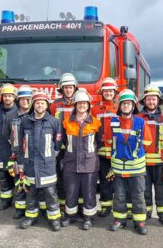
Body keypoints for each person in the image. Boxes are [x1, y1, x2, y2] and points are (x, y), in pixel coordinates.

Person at [107, 89, 152, 235]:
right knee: (119, 195)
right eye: (123, 103)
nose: (126, 106)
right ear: (119, 106)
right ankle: (119, 220)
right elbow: (109, 141)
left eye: (129, 103)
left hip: (136, 168)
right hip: (118, 167)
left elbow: (147, 142)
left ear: (133, 106)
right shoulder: (113, 122)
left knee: (138, 195)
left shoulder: (141, 122)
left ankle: (139, 221)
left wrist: (134, 156)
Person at [16, 91, 62, 231]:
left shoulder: (53, 121)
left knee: (51, 193)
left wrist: (49, 158)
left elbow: (58, 144)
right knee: (31, 193)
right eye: (37, 103)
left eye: (42, 103)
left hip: (47, 165)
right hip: (30, 164)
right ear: (33, 105)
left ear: (47, 105)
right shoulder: (25, 121)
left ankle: (54, 219)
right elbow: (20, 143)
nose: (40, 105)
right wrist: (21, 162)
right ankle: (31, 217)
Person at [60, 89, 102, 230]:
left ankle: (88, 218)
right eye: (79, 103)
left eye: (84, 103)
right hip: (71, 163)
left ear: (88, 105)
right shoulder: (66, 122)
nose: (82, 105)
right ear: (75, 105)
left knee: (89, 192)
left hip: (89, 164)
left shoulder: (96, 123)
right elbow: (65, 141)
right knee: (71, 191)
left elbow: (99, 141)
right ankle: (70, 216)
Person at [137, 84, 163, 225]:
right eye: (148, 99)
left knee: (161, 190)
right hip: (143, 162)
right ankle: (147, 212)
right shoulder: (138, 117)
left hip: (160, 162)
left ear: (158, 100)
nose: (151, 102)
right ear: (144, 101)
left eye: (154, 99)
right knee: (145, 189)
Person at [3, 85, 33, 219]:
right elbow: (5, 134)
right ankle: (20, 208)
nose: (25, 102)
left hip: (33, 155)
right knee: (18, 181)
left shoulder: (35, 114)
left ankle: (35, 207)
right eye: (22, 99)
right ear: (18, 100)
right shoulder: (10, 115)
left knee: (33, 182)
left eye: (28, 99)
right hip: (18, 155)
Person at [50, 73, 79, 213]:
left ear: (75, 88)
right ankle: (62, 204)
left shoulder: (80, 103)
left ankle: (78, 205)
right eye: (66, 87)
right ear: (62, 88)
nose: (68, 90)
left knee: (76, 176)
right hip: (60, 148)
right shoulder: (55, 104)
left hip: (76, 147)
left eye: (70, 87)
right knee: (61, 176)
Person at [91, 77, 119, 217]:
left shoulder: (121, 107)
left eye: (111, 91)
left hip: (118, 153)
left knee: (119, 181)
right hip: (101, 153)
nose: (108, 93)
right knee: (104, 180)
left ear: (115, 92)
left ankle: (120, 207)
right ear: (102, 92)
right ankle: (106, 206)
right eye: (106, 91)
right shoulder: (95, 109)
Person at [0, 83, 18, 210]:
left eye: (10, 96)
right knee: (2, 178)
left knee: (15, 176)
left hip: (13, 151)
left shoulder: (18, 112)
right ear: (2, 97)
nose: (7, 98)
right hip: (0, 151)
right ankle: (5, 200)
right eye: (5, 96)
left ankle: (17, 201)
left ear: (14, 97)